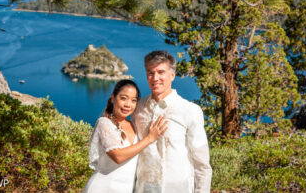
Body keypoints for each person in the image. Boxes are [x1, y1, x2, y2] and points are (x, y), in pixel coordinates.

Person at [132, 51, 212, 193]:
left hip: (178, 188)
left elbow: (202, 164)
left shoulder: (190, 110)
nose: (155, 78)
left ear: (172, 75)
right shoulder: (137, 108)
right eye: (150, 73)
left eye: (161, 72)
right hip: (144, 189)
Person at [83, 80, 167, 193]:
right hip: (102, 188)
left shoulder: (134, 125)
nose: (128, 104)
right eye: (123, 98)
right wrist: (150, 139)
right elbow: (118, 156)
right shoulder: (104, 123)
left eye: (133, 100)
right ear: (113, 98)